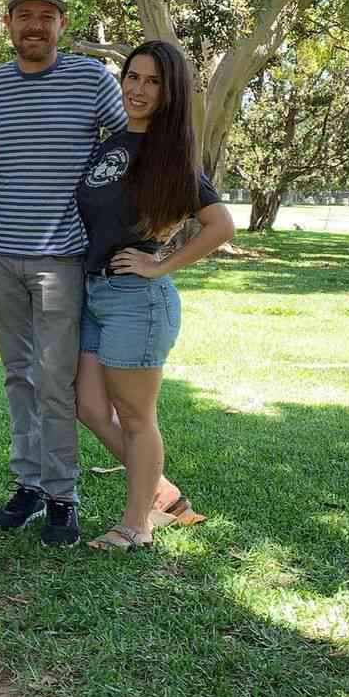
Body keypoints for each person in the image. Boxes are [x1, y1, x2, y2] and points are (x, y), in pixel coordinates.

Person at [0, 0, 127, 549]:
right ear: (10, 23)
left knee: (56, 384)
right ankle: (28, 483)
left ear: (63, 24)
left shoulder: (92, 80)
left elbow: (126, 149)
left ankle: (63, 496)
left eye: (47, 15)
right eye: (25, 15)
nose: (35, 25)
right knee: (19, 375)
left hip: (61, 257)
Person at [75, 41, 234, 551]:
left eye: (151, 82)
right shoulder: (110, 141)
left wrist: (160, 262)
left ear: (169, 93)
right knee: (89, 406)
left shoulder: (169, 155)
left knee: (138, 417)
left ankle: (136, 525)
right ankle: (162, 495)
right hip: (95, 292)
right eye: (132, 77)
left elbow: (220, 224)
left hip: (136, 301)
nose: (138, 89)